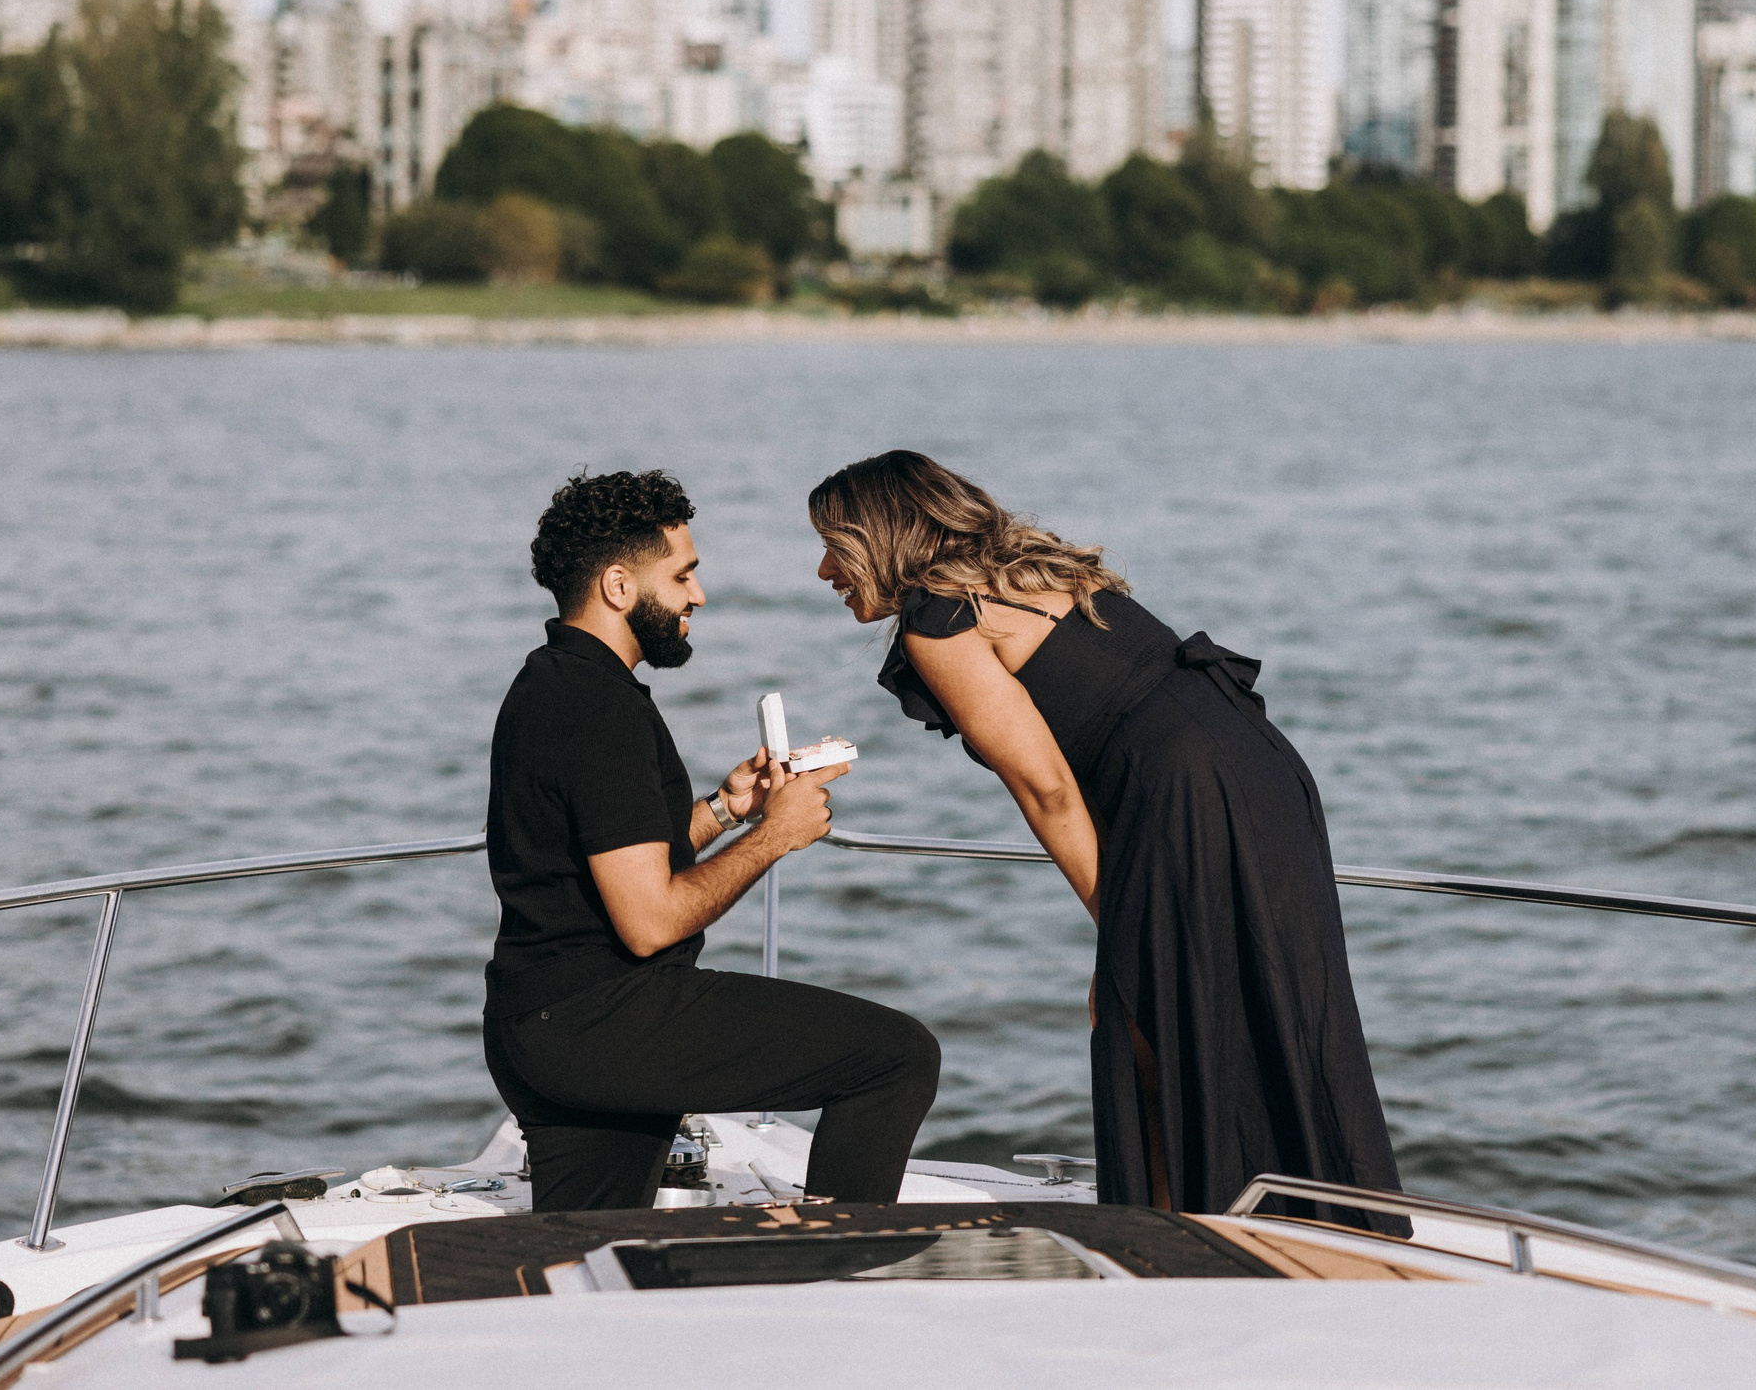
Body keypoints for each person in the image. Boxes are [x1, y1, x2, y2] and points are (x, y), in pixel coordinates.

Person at [808, 450, 1403, 1226]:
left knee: (1144, 1021)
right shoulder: (1031, 569)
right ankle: (1314, 1226)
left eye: (833, 545)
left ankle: (1183, 1245)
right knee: (1277, 1005)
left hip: (1185, 790)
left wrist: (1119, 934)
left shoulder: (941, 622)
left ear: (879, 536)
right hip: (1257, 766)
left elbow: (1046, 788)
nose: (823, 569)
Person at [483, 468, 940, 1212]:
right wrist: (776, 838)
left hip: (538, 1027)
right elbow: (649, 919)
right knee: (894, 1057)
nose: (698, 596)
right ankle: (835, 1270)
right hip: (606, 1021)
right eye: (684, 575)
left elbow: (605, 854)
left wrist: (728, 810)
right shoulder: (598, 710)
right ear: (619, 586)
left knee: (592, 1245)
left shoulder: (551, 685)